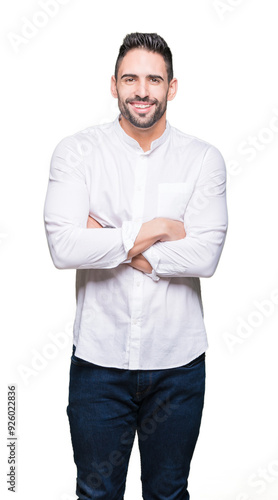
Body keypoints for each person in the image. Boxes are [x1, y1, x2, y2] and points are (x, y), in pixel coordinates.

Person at [44, 32, 228, 500]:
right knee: (96, 493)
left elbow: (204, 256)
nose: (141, 90)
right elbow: (64, 247)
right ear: (113, 85)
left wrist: (109, 239)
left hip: (178, 365)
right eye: (130, 78)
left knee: (168, 494)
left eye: (153, 79)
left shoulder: (203, 160)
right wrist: (163, 227)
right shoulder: (76, 153)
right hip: (98, 364)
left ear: (172, 87)